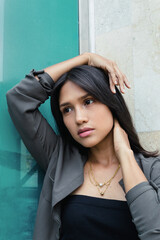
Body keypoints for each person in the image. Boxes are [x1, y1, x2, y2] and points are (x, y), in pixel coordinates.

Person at [6, 52, 160, 240]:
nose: (79, 118)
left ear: (111, 104)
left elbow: (154, 233)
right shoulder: (60, 159)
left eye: (88, 102)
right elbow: (19, 98)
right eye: (67, 109)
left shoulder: (153, 171)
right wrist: (85, 58)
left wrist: (126, 155)